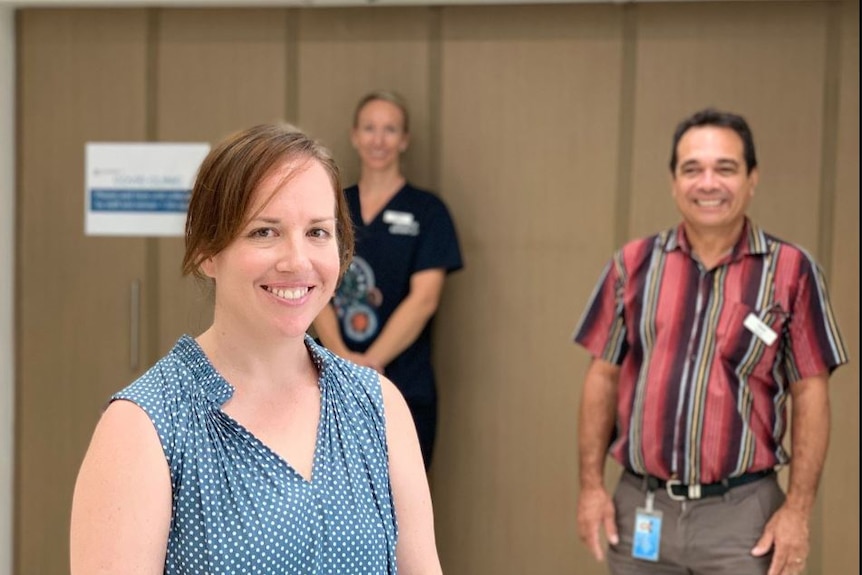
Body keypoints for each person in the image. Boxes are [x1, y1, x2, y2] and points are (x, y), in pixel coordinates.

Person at [70, 124, 442, 574]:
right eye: (265, 232)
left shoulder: (378, 407)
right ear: (208, 250)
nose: (297, 261)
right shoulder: (146, 426)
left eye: (318, 232)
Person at [573, 108, 848, 575]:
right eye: (692, 169)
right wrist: (591, 486)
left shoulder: (790, 271)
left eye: (725, 168)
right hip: (643, 507)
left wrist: (798, 511)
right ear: (673, 180)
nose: (708, 183)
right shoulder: (633, 264)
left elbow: (811, 393)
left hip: (743, 519)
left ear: (752, 178)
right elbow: (602, 376)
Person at [313, 91, 463, 471]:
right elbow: (312, 288)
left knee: (400, 506)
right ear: (354, 135)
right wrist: (346, 362)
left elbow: (424, 299)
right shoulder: (330, 207)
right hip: (330, 382)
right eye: (370, 128)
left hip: (403, 383)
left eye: (390, 129)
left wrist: (373, 361)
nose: (378, 139)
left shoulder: (427, 212)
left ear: (404, 139)